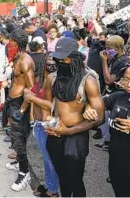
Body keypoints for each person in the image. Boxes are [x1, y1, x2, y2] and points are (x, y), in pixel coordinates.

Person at [43, 37, 105, 197]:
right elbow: (46, 105)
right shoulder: (52, 78)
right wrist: (49, 122)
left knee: (76, 180)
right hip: (55, 135)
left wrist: (68, 131)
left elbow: (100, 117)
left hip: (76, 137)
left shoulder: (88, 80)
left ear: (75, 58)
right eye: (58, 58)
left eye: (65, 59)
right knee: (62, 177)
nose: (61, 62)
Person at [84, 65, 130, 197]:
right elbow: (96, 102)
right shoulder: (118, 97)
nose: (129, 84)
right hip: (116, 158)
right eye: (126, 79)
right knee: (119, 190)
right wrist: (88, 107)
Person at [23, 53, 59, 197]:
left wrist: (32, 98)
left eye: (54, 63)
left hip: (47, 124)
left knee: (50, 160)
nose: (52, 66)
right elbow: (32, 100)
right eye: (49, 63)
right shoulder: (39, 80)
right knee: (45, 158)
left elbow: (52, 105)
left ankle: (53, 191)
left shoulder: (56, 81)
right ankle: (49, 185)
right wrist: (32, 118)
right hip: (38, 124)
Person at [6, 29, 35, 191]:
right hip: (14, 101)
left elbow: (32, 88)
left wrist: (23, 109)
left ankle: (25, 172)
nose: (9, 43)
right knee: (16, 136)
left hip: (20, 104)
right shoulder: (19, 56)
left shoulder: (25, 60)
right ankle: (19, 162)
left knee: (19, 138)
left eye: (10, 41)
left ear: (15, 42)